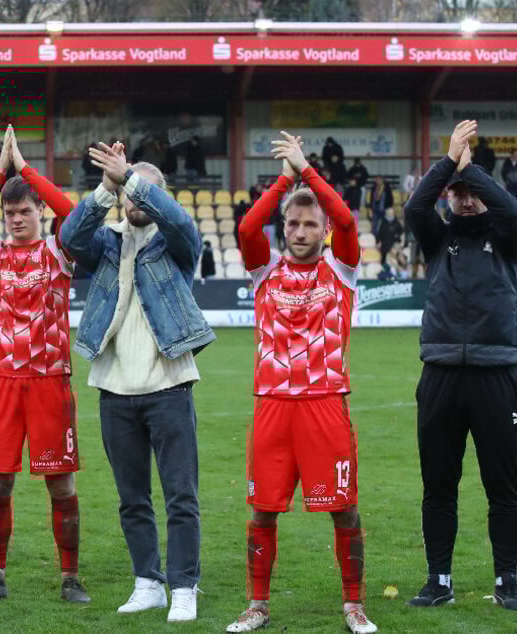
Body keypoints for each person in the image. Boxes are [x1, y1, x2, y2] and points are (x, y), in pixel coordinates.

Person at [226, 131, 376, 634]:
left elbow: (350, 220)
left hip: (325, 403)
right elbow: (248, 227)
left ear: (324, 230)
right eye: (293, 222)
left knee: (344, 508)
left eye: (311, 223)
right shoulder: (264, 271)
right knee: (263, 510)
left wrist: (307, 170)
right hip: (272, 406)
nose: (300, 230)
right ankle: (257, 605)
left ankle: (353, 604)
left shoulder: (342, 270)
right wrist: (284, 181)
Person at [59, 142, 216, 623]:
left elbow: (181, 221)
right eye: (128, 191)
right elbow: (69, 235)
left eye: (142, 190)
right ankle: (148, 582)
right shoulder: (107, 242)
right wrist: (107, 189)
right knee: (132, 499)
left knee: (180, 497)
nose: (135, 200)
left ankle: (185, 586)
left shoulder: (178, 245)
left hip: (168, 386)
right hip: (115, 389)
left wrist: (131, 176)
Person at [0, 125, 89, 605]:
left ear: (39, 211)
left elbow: (74, 214)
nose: (15, 219)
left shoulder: (59, 250)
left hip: (50, 381)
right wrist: (0, 170)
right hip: (1, 382)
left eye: (24, 211)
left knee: (61, 483)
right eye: (9, 213)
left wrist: (28, 171)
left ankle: (70, 577)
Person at [403, 120, 517, 611]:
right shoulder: (436, 238)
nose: (467, 201)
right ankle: (439, 579)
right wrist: (449, 164)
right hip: (441, 373)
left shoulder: (509, 237)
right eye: (459, 193)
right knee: (439, 485)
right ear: (448, 197)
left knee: (505, 487)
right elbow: (413, 206)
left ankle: (508, 580)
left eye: (474, 193)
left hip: (498, 373)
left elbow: (511, 208)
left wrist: (473, 171)